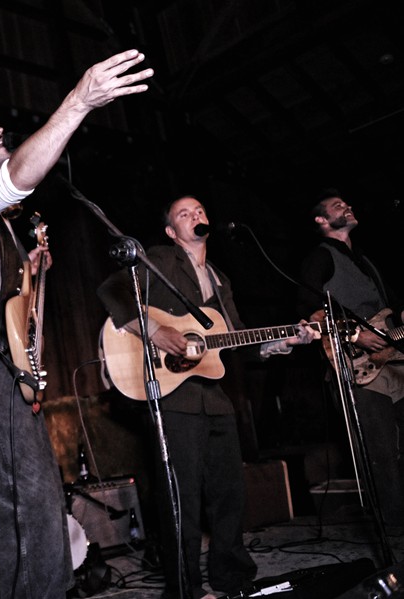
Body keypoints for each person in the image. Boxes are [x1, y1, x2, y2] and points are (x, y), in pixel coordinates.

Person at [0, 49, 154, 599]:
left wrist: (29, 270)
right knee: (31, 502)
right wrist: (78, 101)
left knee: (36, 503)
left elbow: (0, 301)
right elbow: (13, 182)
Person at [97, 195, 316, 599]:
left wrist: (280, 341)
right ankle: (185, 589)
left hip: (214, 398)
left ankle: (231, 578)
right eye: (184, 213)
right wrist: (155, 331)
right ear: (171, 231)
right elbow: (113, 289)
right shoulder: (160, 260)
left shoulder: (219, 278)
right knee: (182, 499)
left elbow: (235, 338)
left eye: (199, 210)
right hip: (173, 397)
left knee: (230, 493)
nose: (195, 215)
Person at [297, 190, 404, 530]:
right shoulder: (320, 257)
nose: (347, 207)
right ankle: (393, 526)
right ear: (322, 220)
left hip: (393, 359)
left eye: (347, 204)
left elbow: (390, 306)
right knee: (380, 450)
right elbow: (308, 307)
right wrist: (355, 336)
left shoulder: (364, 260)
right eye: (337, 206)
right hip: (358, 364)